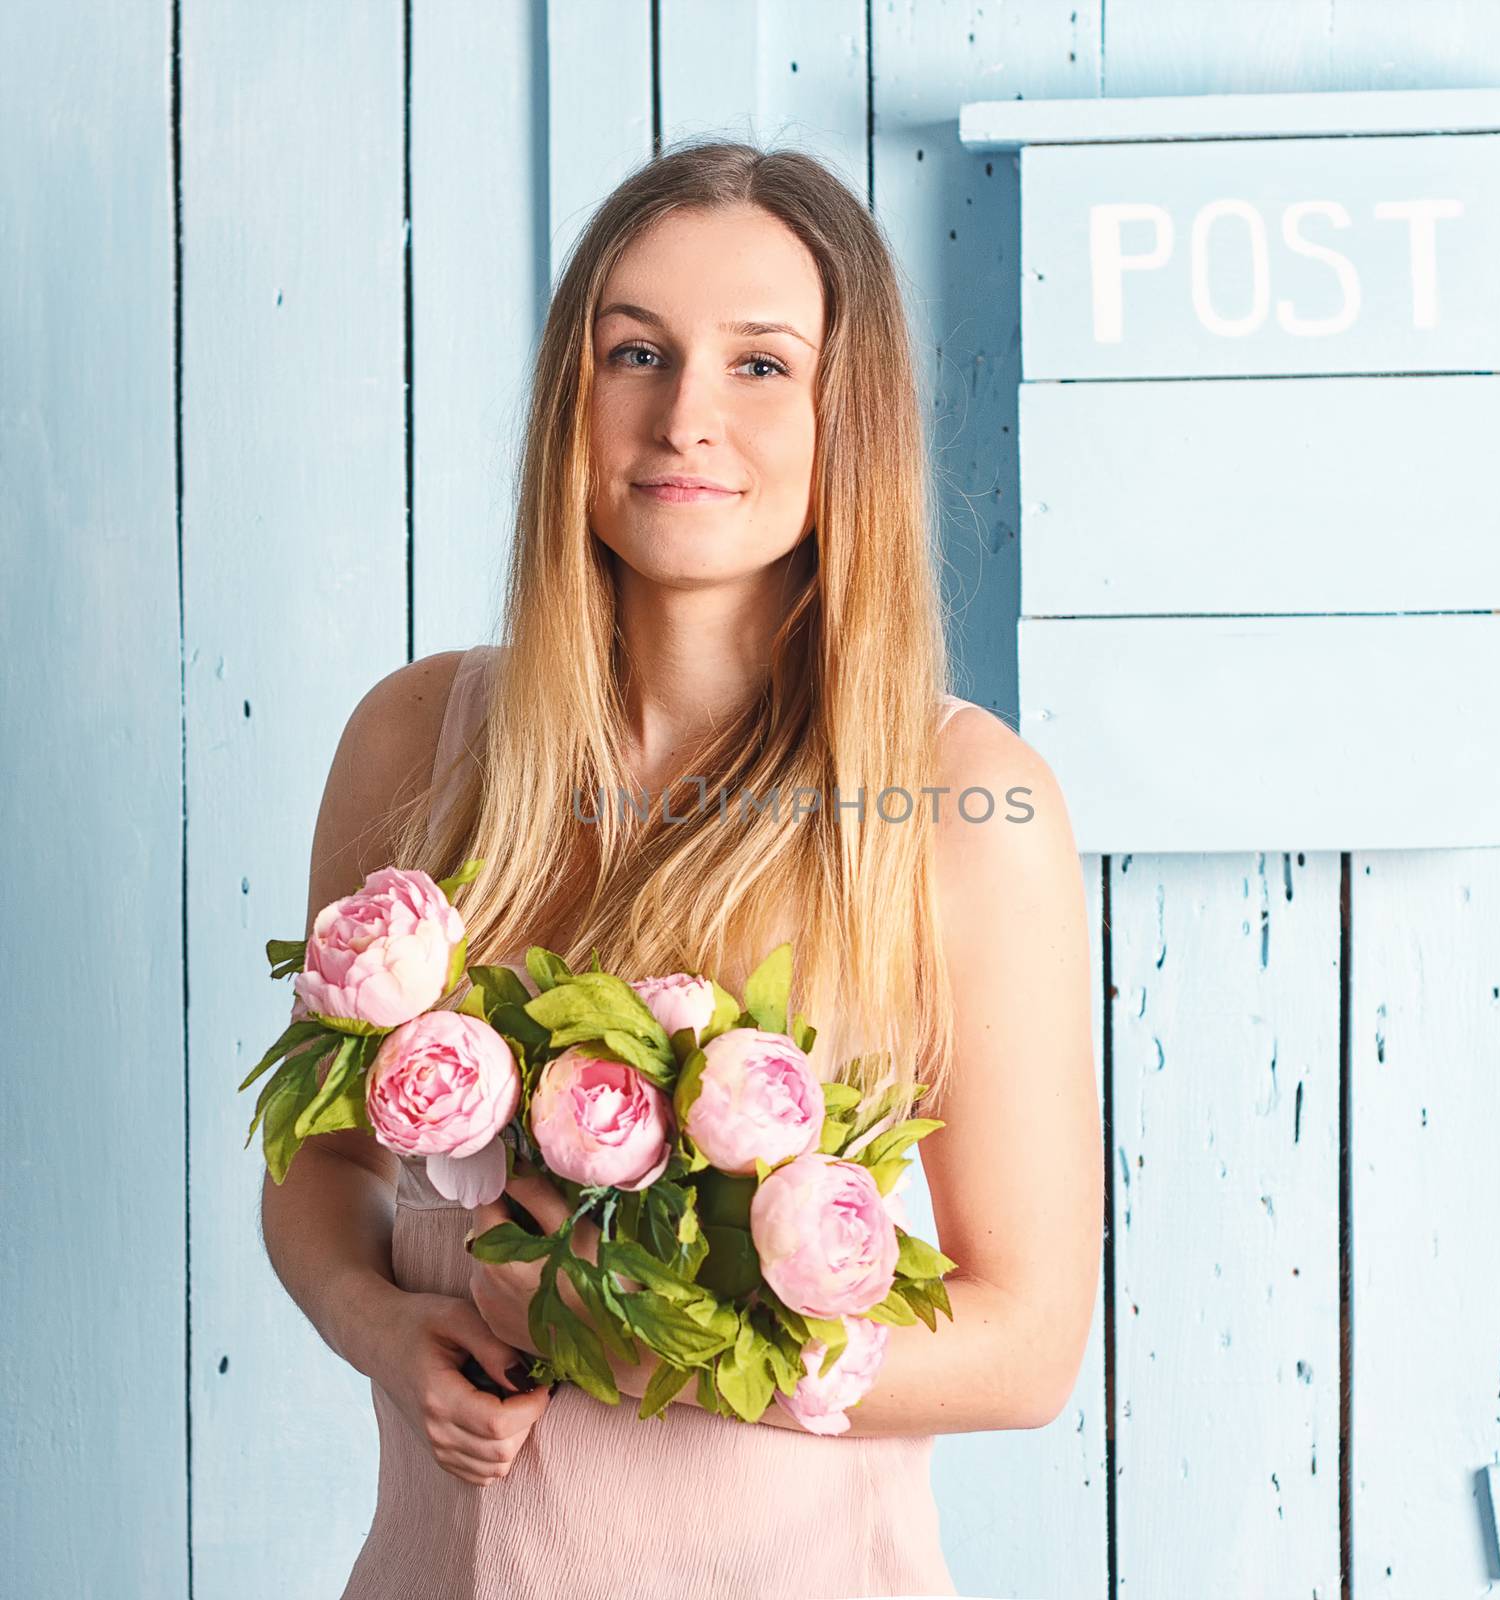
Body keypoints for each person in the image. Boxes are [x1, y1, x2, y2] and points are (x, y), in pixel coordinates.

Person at [259, 137, 1102, 1600]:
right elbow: (321, 1165)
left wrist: (657, 1346)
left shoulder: (966, 800)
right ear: (569, 400)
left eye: (762, 365)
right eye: (635, 350)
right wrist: (379, 1322)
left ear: (854, 417)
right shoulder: (413, 744)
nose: (685, 417)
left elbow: (1029, 1341)